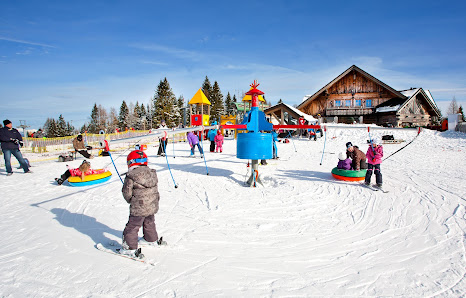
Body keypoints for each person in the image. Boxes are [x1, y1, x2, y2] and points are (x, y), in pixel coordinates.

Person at [120, 150, 163, 256]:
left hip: (139, 206)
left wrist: (130, 200)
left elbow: (127, 192)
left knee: (133, 226)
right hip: (152, 204)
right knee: (149, 222)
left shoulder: (131, 176)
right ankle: (151, 239)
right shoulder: (152, 173)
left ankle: (129, 247)